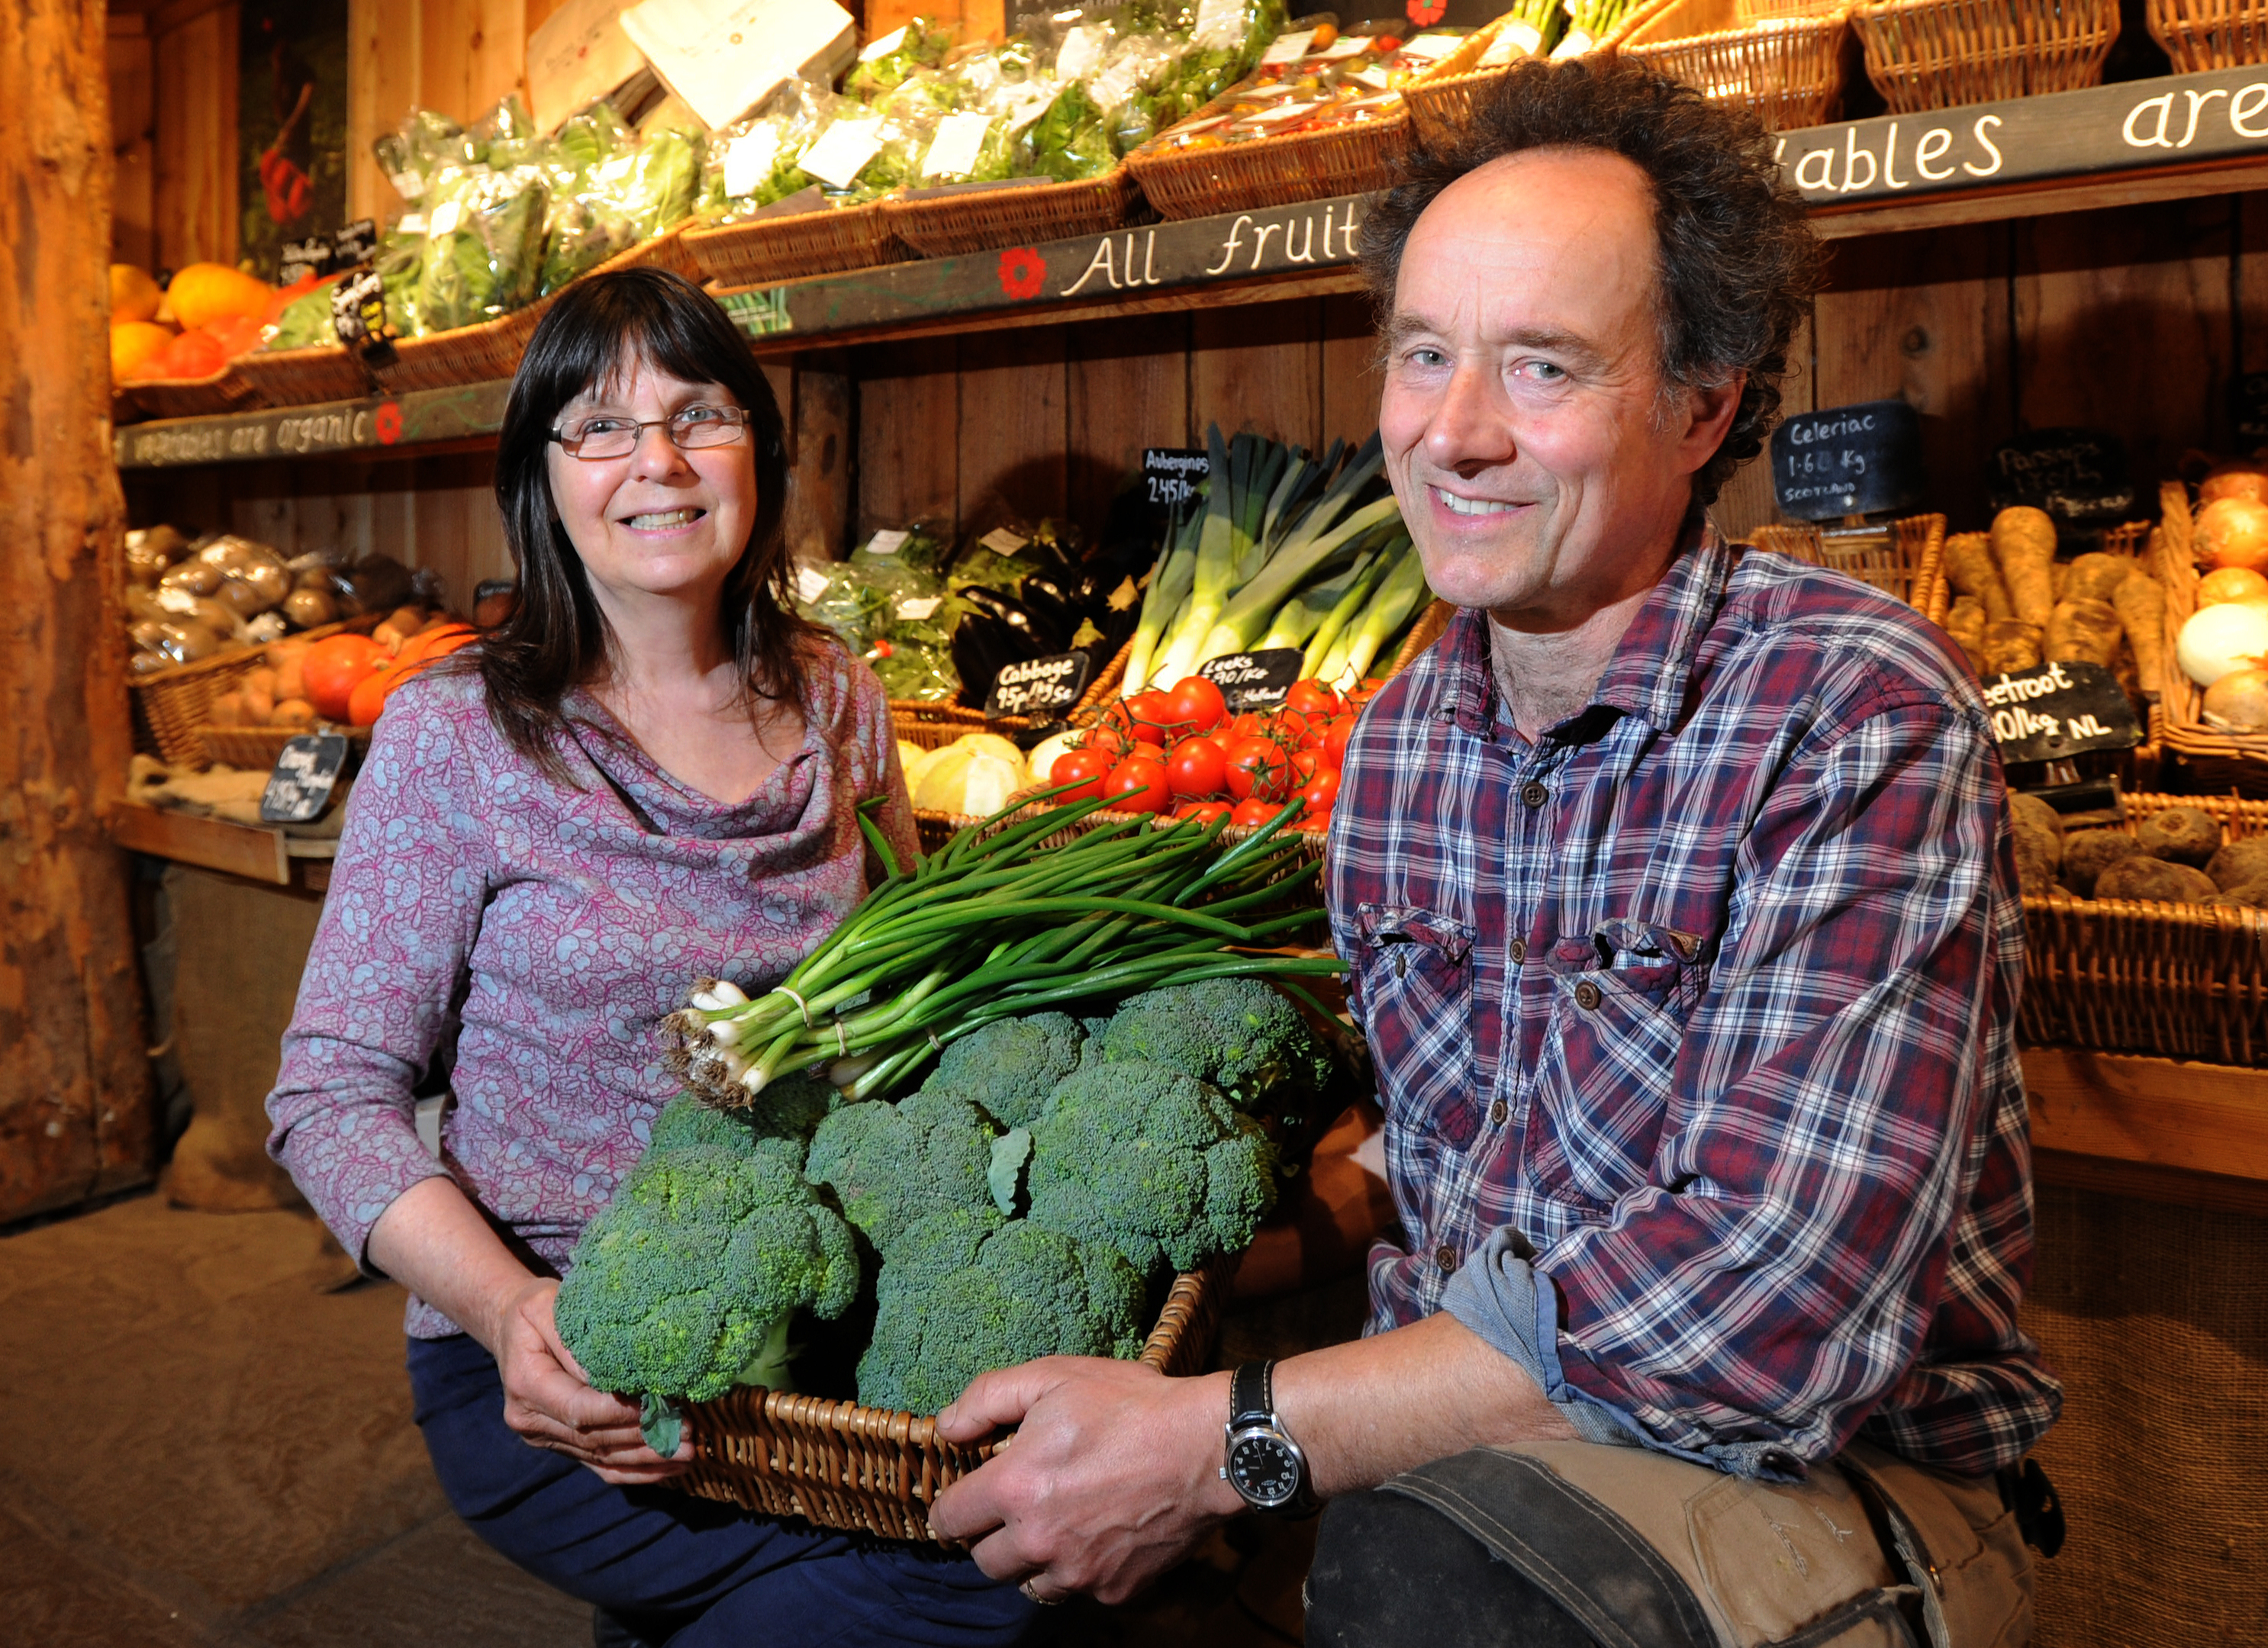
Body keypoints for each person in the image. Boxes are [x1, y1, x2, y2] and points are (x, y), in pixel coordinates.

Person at [924, 57, 2063, 1646]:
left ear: (1704, 402)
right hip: (1455, 1466)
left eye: (1542, 369)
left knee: (1437, 1591)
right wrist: (1173, 1267)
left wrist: (1226, 1438)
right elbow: (1459, 1149)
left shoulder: (1852, 710)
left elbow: (1765, 1311)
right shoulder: (1398, 746)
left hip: (1813, 1484)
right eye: (1424, 356)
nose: (1453, 434)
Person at [265, 269, 1035, 1648]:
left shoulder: (841, 696)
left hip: (822, 1325)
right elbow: (329, 1095)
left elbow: (905, 1003)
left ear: (760, 452)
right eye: (600, 429)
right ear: (540, 477)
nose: (659, 463)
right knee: (986, 1578)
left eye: (700, 416)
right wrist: (508, 1313)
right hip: (575, 1356)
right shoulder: (460, 735)